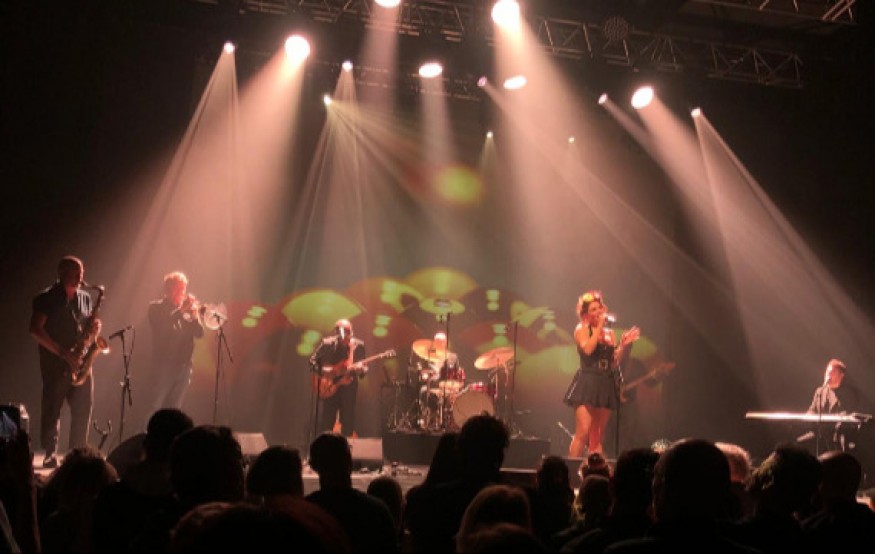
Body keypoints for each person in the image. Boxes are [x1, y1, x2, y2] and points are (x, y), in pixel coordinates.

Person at [30, 256, 101, 468]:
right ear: (62, 274)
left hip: (79, 362)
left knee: (83, 407)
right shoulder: (46, 298)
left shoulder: (85, 298)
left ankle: (76, 454)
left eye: (81, 273)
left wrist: (95, 329)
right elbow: (35, 330)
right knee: (53, 409)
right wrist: (63, 353)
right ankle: (49, 453)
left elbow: (87, 330)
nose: (80, 277)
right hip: (56, 362)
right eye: (75, 273)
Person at [563, 290, 640, 457]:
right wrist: (598, 328)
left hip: (605, 381)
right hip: (588, 380)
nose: (598, 312)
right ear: (585, 315)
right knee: (583, 432)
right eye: (593, 309)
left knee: (597, 436)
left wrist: (623, 345)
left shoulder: (609, 333)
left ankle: (596, 469)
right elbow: (588, 349)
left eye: (599, 308)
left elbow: (614, 362)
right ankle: (571, 468)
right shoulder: (581, 329)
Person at [148, 271, 204, 412]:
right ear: (168, 289)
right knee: (155, 406)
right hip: (164, 364)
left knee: (175, 409)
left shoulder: (185, 312)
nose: (182, 292)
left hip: (184, 366)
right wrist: (181, 311)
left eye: (183, 288)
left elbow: (199, 333)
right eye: (178, 288)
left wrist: (195, 315)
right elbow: (164, 326)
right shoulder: (156, 308)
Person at [309, 319, 367, 436]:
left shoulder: (358, 346)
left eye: (347, 332)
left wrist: (362, 370)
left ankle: (346, 446)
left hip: (348, 390)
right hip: (329, 388)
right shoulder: (327, 344)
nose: (344, 335)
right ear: (336, 332)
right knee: (326, 423)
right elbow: (312, 362)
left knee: (348, 423)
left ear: (351, 332)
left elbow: (363, 370)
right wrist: (328, 371)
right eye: (340, 331)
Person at [804, 359, 862, 453]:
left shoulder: (848, 393)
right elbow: (812, 409)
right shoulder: (820, 391)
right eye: (827, 372)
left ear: (841, 375)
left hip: (838, 434)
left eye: (832, 372)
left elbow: (847, 414)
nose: (828, 375)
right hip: (820, 433)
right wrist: (807, 416)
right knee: (800, 444)